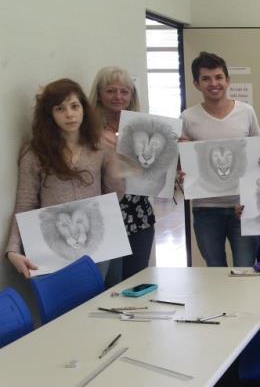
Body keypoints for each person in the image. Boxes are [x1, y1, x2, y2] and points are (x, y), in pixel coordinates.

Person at [5, 78, 123, 278]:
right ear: (50, 115)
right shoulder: (35, 152)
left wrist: (116, 161)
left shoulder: (100, 147)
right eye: (60, 109)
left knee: (94, 303)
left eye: (74, 106)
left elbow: (115, 194)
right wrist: (13, 250)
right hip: (52, 246)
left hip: (96, 245)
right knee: (63, 307)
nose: (69, 114)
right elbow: (25, 204)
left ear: (83, 109)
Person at [181, 51, 260, 267]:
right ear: (196, 84)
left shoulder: (246, 112)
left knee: (245, 270)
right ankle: (221, 303)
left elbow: (257, 154)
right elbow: (182, 163)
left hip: (242, 206)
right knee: (214, 271)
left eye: (218, 77)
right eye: (206, 78)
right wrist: (182, 170)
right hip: (205, 208)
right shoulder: (187, 118)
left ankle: (245, 303)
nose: (213, 83)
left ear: (228, 80)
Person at [89, 66, 156, 286]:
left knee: (136, 282)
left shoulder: (145, 129)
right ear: (99, 94)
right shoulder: (88, 132)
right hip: (105, 216)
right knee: (109, 286)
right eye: (111, 91)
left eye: (124, 91)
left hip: (139, 215)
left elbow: (155, 169)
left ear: (131, 95)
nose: (118, 97)